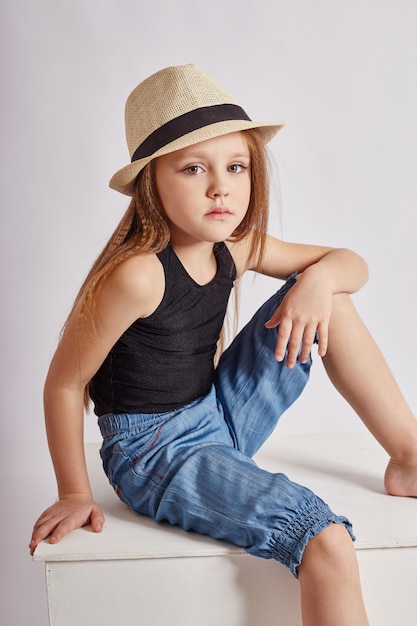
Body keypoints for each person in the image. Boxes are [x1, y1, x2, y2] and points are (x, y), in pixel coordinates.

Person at [30, 64, 417, 625]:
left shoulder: (235, 246)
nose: (222, 187)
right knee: (324, 538)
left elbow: (351, 264)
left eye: (236, 167)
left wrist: (317, 281)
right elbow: (64, 384)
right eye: (193, 169)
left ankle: (408, 458)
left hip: (217, 413)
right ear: (151, 184)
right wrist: (73, 491)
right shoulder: (137, 276)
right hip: (154, 451)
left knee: (329, 295)